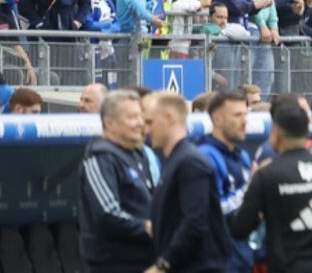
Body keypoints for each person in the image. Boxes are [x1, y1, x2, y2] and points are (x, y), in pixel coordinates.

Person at [230, 97, 312, 273]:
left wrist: (253, 189)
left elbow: (240, 228)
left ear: (275, 132)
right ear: (307, 131)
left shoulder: (266, 175)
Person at [145, 91, 234, 273]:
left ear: (169, 118)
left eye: (150, 122)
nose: (146, 130)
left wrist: (163, 265)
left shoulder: (189, 162)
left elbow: (194, 222)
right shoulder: (176, 161)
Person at [79, 89, 156, 273]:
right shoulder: (100, 158)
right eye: (132, 117)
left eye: (140, 116)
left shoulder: (138, 154)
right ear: (109, 122)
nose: (140, 123)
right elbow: (107, 214)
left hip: (145, 260)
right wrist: (147, 228)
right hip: (114, 263)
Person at [199, 89, 255, 273]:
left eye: (245, 114)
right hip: (217, 262)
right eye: (237, 115)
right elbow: (212, 212)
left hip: (241, 259)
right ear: (217, 119)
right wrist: (251, 187)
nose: (244, 121)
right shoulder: (205, 157)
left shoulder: (242, 156)